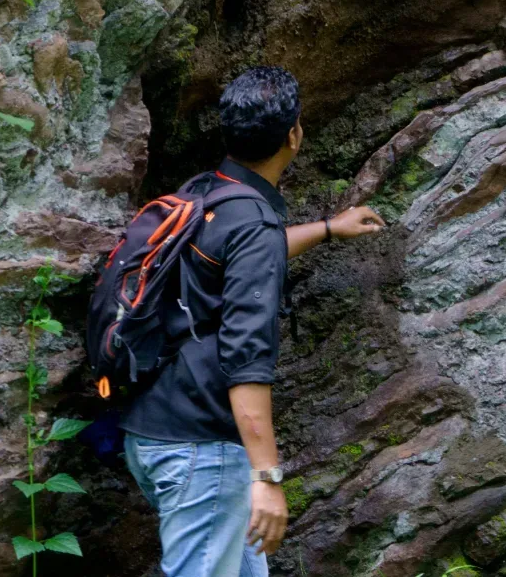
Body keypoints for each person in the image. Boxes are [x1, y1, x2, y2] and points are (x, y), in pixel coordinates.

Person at [122, 66, 386, 577]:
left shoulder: (206, 191)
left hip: (152, 430)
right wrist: (266, 476)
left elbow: (235, 258)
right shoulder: (251, 221)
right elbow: (246, 358)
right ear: (293, 135)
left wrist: (328, 229)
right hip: (203, 449)